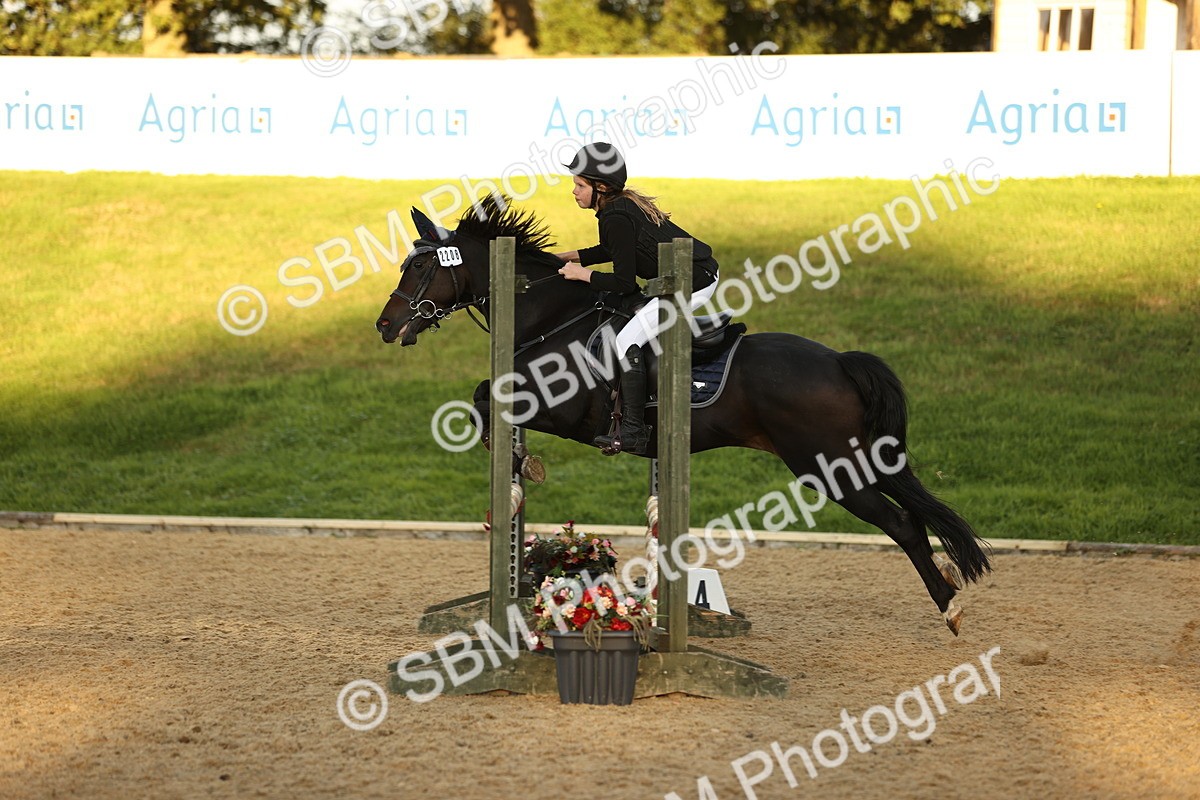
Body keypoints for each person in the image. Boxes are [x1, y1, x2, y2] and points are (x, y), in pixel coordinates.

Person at [555, 142, 720, 455]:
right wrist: (568, 256)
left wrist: (581, 274)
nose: (573, 191)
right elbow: (613, 250)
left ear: (600, 187)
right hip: (685, 274)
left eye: (579, 185)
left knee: (626, 340)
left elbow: (623, 282)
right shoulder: (616, 207)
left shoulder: (614, 216)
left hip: (694, 282)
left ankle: (633, 430)